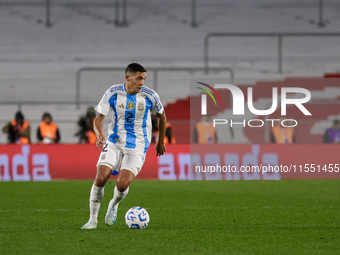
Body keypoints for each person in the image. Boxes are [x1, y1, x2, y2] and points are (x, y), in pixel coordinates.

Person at [81, 63, 166, 229]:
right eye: (139, 78)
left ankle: (113, 204)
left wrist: (160, 141)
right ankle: (92, 220)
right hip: (114, 142)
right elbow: (98, 118)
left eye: (144, 79)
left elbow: (162, 116)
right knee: (100, 178)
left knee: (122, 184)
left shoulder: (150, 96)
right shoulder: (113, 92)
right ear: (127, 77)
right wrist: (99, 135)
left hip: (137, 145)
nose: (142, 82)